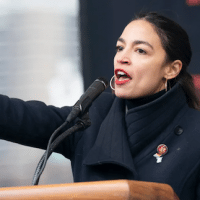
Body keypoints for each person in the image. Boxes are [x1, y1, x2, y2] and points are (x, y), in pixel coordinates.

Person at [0, 11, 199, 199]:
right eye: (120, 48)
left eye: (140, 50)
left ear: (172, 69)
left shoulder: (195, 133)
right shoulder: (90, 118)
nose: (122, 58)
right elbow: (15, 116)